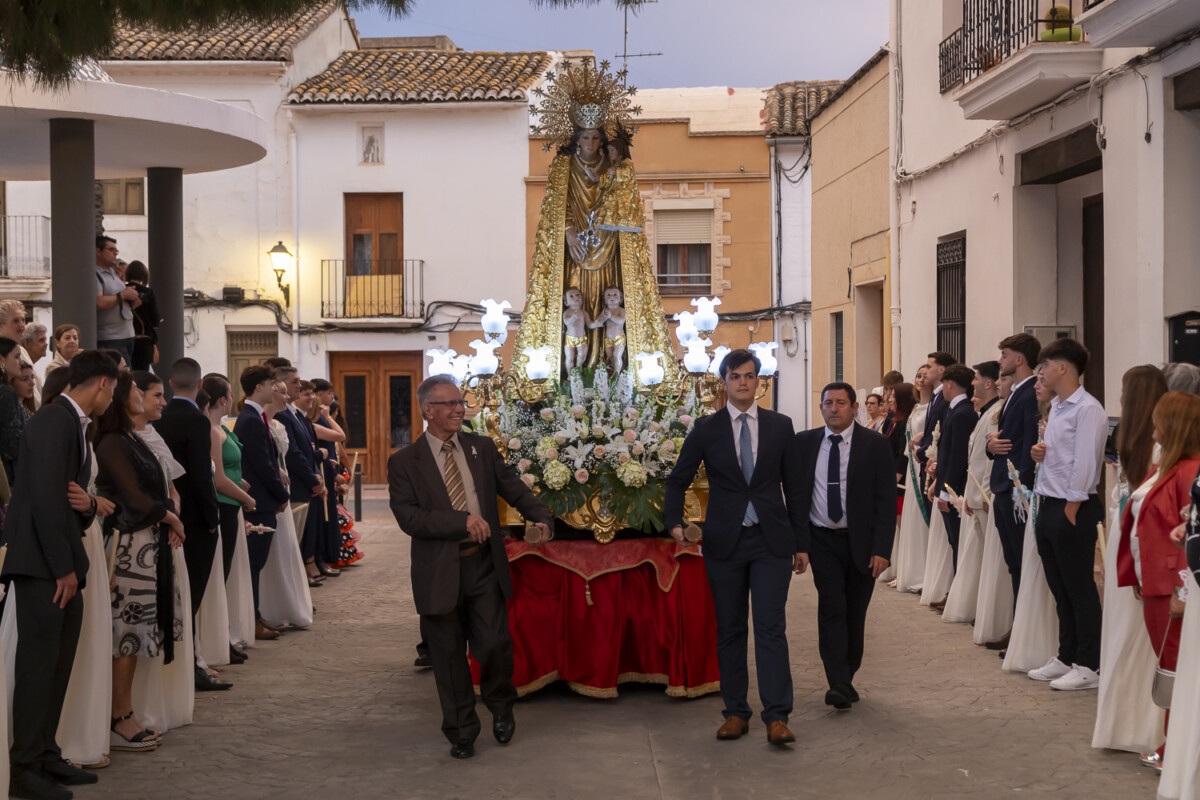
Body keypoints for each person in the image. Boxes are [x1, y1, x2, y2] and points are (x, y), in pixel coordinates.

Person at [388, 375, 554, 760]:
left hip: (482, 566)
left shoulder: (480, 447)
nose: (460, 409)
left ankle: (500, 705)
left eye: (460, 402)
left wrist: (540, 517)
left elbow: (513, 488)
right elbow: (410, 519)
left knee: (495, 644)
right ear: (429, 411)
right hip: (438, 572)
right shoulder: (404, 463)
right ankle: (461, 731)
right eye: (449, 404)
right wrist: (460, 521)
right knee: (447, 658)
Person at [664, 349, 805, 745]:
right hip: (724, 541)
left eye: (749, 376)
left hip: (771, 541)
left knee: (770, 628)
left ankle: (777, 716)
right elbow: (678, 480)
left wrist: (801, 543)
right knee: (729, 629)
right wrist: (675, 521)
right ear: (724, 382)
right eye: (735, 376)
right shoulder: (707, 429)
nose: (743, 382)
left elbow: (795, 488)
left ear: (758, 382)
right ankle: (735, 712)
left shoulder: (780, 426)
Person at [1, 350, 117, 800]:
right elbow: (48, 499)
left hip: (58, 562)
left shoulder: (72, 423)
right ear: (103, 384)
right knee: (37, 667)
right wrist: (62, 568)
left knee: (57, 665)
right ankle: (24, 767)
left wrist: (87, 506)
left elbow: (69, 500)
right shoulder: (55, 419)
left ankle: (45, 752)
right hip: (44, 566)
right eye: (114, 390)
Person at [95, 372, 187, 753]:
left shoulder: (132, 438)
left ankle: (129, 709)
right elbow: (133, 499)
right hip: (129, 548)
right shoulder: (113, 441)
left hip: (146, 546)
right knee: (127, 635)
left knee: (139, 633)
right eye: (134, 389)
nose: (140, 394)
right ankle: (120, 715)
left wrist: (168, 511)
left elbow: (161, 487)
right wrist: (171, 517)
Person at [792, 382, 896, 710]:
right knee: (831, 608)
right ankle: (837, 681)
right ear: (820, 408)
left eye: (840, 403)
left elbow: (885, 499)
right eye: (828, 403)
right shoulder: (805, 443)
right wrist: (800, 544)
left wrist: (882, 549)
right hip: (822, 539)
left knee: (855, 612)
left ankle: (846, 675)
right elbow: (796, 498)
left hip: (862, 542)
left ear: (854, 408)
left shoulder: (875, 445)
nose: (833, 409)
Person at [1118, 392, 1200, 766]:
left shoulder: (1188, 471)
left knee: (1176, 666)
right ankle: (1175, 744)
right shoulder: (1165, 466)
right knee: (1169, 664)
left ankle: (1177, 748)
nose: (1153, 431)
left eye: (1159, 423)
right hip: (1153, 578)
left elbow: (1192, 531)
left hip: (1172, 584)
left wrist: (1183, 589)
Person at [1094, 365, 1170, 757]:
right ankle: (1125, 723)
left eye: (1124, 391)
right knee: (1123, 632)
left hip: (1141, 545)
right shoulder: (1133, 442)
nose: (1119, 398)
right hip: (1127, 539)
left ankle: (1143, 726)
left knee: (1140, 639)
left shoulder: (1159, 447)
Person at [1027, 339, 1107, 690]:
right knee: (1059, 587)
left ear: (1062, 368)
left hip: (1073, 507)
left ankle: (1090, 663)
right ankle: (1067, 655)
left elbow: (1087, 461)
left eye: (1045, 365)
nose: (1040, 371)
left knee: (1079, 588)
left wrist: (1072, 508)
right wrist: (1039, 453)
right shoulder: (1057, 407)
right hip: (1049, 501)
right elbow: (1062, 456)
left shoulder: (1087, 408)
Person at [152, 357, 227, 692]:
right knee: (192, 594)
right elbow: (200, 477)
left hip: (165, 513)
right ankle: (191, 667)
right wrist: (213, 520)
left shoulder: (159, 418)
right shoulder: (197, 422)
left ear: (170, 385)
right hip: (195, 520)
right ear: (199, 386)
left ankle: (177, 665)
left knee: (172, 593)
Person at [987, 333, 1042, 631]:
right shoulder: (1016, 392)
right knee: (1013, 564)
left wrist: (1022, 490)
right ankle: (1016, 628)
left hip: (1015, 491)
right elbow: (1004, 442)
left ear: (1019, 359)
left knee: (1020, 564)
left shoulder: (1030, 392)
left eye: (1004, 354)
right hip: (1003, 487)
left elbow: (1028, 445)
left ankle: (1021, 631)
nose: (1000, 360)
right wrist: (989, 446)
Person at [202, 375, 256, 664]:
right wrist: (246, 498)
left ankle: (224, 636)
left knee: (226, 575)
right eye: (230, 394)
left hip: (231, 503)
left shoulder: (221, 427)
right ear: (222, 400)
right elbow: (219, 479)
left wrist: (242, 483)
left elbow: (229, 471)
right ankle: (216, 639)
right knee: (219, 575)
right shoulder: (211, 430)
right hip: (223, 505)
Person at [942, 362, 1000, 623]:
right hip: (974, 495)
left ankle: (990, 613)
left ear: (988, 383)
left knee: (988, 559)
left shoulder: (994, 412)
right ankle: (978, 608)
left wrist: (984, 496)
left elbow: (988, 461)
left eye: (976, 379)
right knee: (972, 554)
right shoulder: (984, 413)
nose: (972, 383)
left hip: (985, 497)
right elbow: (972, 457)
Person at [934, 364, 978, 572]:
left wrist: (946, 491)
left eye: (943, 383)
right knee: (953, 540)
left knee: (958, 540)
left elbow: (957, 456)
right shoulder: (956, 409)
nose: (942, 388)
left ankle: (957, 589)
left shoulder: (963, 413)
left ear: (949, 383)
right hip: (948, 484)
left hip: (955, 490)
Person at [895, 368, 932, 594]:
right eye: (918, 375)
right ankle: (912, 572)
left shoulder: (934, 408)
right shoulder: (916, 409)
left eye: (925, 374)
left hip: (923, 465)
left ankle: (924, 573)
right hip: (912, 467)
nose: (921, 378)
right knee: (911, 518)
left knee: (922, 518)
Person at [95, 236, 140, 366]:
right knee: (122, 378)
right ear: (98, 251)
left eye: (116, 250)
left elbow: (119, 297)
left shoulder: (114, 273)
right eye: (111, 249)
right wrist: (124, 295)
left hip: (127, 334)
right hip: (111, 338)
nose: (115, 253)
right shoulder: (95, 274)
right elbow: (99, 302)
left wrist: (132, 299)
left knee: (128, 375)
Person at [915, 351, 956, 494]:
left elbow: (941, 431)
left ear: (941, 369)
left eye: (929, 367)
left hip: (935, 467)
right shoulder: (936, 396)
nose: (925, 371)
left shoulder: (945, 398)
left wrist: (921, 451)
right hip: (927, 464)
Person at [0, 356, 35, 486]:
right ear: (11, 383)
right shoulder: (10, 411)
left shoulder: (26, 410)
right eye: (25, 379)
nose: (31, 383)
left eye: (32, 377)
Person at [125, 260, 160, 372]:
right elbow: (155, 320)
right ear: (144, 275)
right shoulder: (148, 292)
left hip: (124, 339)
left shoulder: (123, 290)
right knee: (142, 375)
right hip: (143, 341)